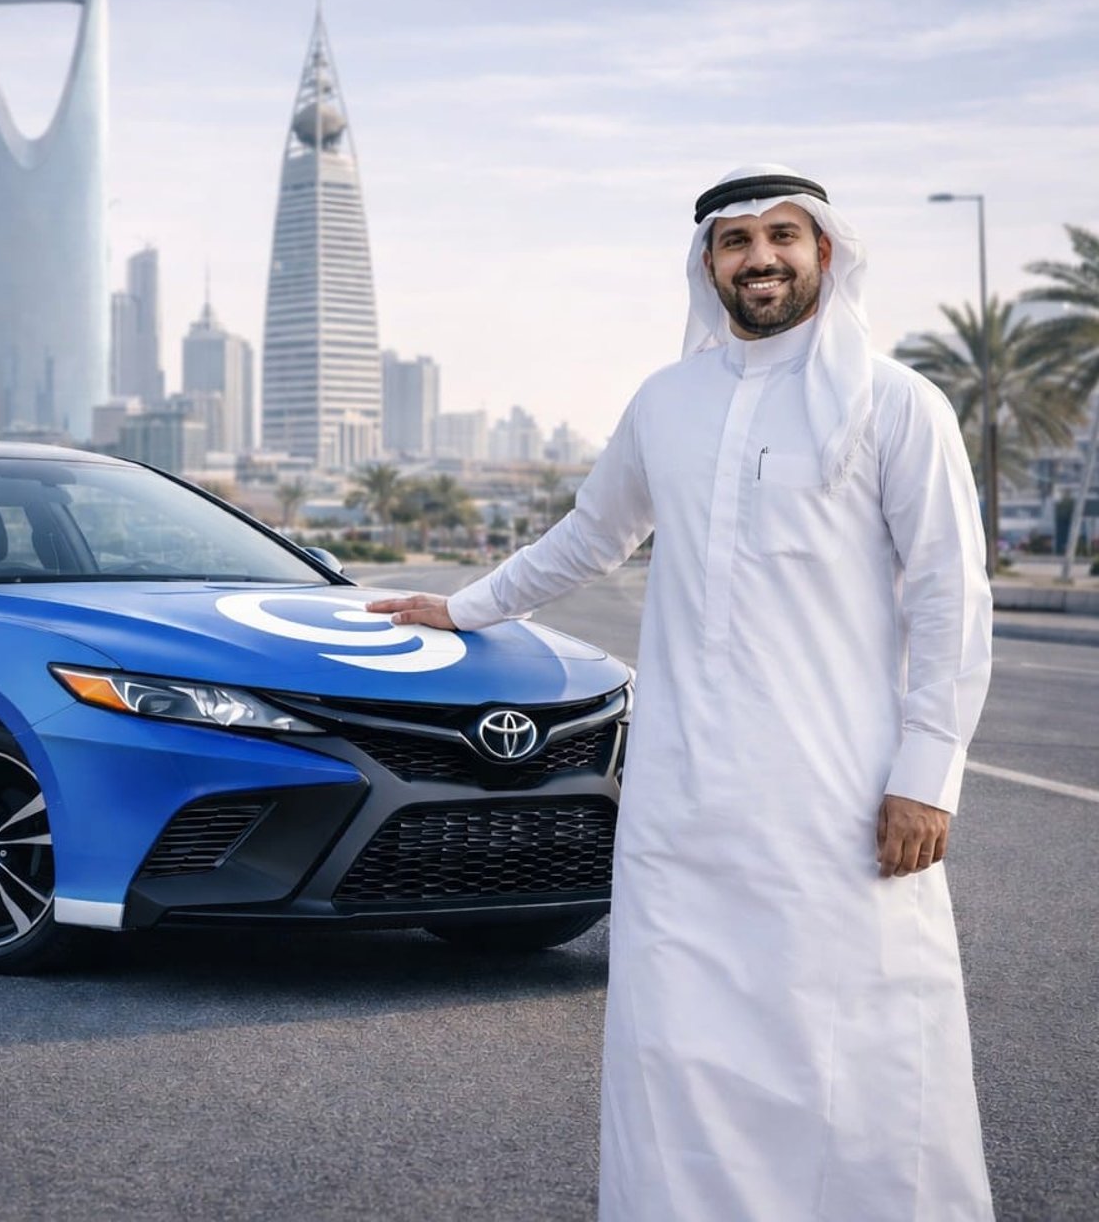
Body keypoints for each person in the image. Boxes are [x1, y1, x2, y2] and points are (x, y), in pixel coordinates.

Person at [369, 165, 995, 1221]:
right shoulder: (666, 403)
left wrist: (927, 775)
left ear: (824, 250)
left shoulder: (898, 403)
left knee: (860, 1033)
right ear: (708, 265)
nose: (760, 257)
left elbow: (951, 595)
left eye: (782, 235)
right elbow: (592, 535)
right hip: (681, 792)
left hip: (837, 789)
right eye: (735, 241)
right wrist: (467, 606)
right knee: (681, 1040)